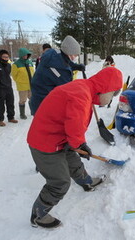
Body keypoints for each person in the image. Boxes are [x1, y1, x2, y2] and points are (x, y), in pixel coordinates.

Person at [27, 67, 123, 228]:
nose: (111, 98)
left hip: (59, 138)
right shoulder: (82, 96)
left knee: (73, 160)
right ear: (106, 89)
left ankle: (86, 182)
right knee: (60, 182)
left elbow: (73, 125)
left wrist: (78, 144)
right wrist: (79, 144)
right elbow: (74, 125)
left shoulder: (85, 88)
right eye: (113, 94)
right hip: (46, 143)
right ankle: (39, 214)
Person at [30, 35, 85, 115]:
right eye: (76, 55)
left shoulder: (54, 53)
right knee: (47, 126)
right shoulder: (59, 70)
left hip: (40, 95)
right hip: (43, 103)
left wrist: (77, 66)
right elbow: (67, 89)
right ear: (70, 53)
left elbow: (67, 63)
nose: (76, 57)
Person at [0, 50, 18, 126]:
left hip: (8, 87)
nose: (5, 58)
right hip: (0, 88)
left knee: (10, 103)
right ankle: (0, 119)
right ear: (0, 57)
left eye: (7, 57)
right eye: (4, 57)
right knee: (0, 104)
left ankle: (11, 117)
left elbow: (8, 75)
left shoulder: (8, 65)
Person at [11, 48, 34, 120]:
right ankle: (22, 114)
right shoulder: (16, 64)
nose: (25, 56)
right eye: (24, 55)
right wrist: (19, 81)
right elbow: (14, 75)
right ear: (21, 55)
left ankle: (33, 111)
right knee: (23, 100)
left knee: (32, 99)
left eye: (27, 55)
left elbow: (33, 72)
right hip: (22, 85)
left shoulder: (30, 62)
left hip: (31, 84)